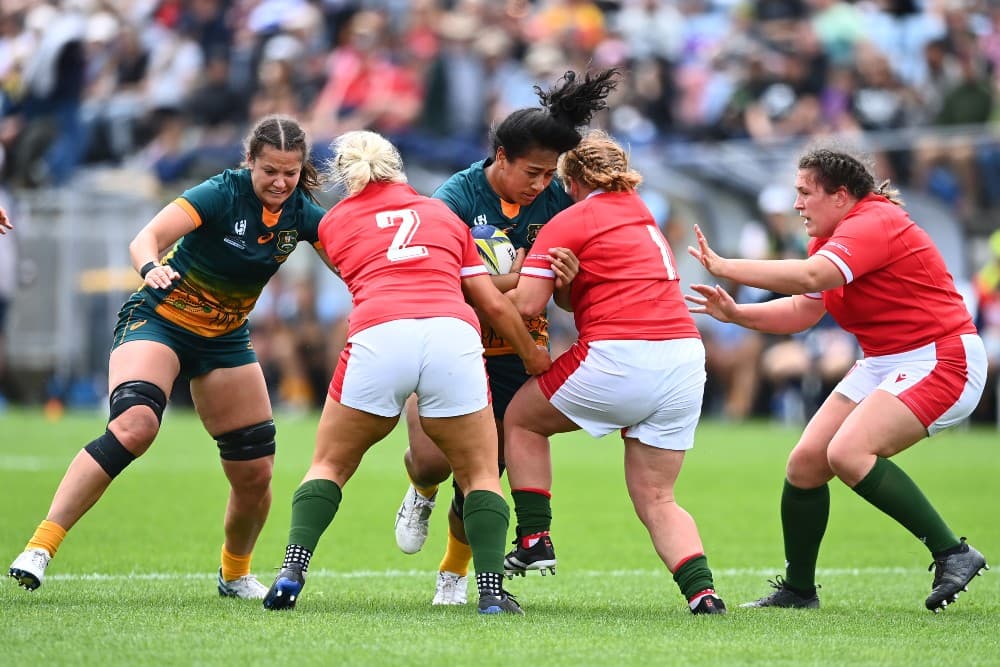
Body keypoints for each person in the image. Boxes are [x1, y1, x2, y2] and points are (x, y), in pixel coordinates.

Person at [8, 115, 330, 599]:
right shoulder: (220, 193)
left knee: (255, 470)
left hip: (224, 339)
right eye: (269, 171)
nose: (280, 182)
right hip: (160, 319)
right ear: (250, 163)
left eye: (290, 172)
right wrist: (150, 267)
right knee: (135, 425)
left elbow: (352, 263)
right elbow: (145, 238)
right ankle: (40, 546)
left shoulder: (302, 213)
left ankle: (235, 573)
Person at [685, 146, 990, 612]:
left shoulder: (874, 222)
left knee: (847, 453)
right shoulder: (834, 236)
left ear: (841, 195)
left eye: (805, 193)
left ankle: (954, 552)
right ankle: (799, 591)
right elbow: (805, 309)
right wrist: (736, 312)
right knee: (806, 465)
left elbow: (811, 276)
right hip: (887, 360)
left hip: (942, 358)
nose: (797, 204)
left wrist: (727, 266)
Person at [261, 130, 551, 615]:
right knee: (480, 471)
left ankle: (292, 569)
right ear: (398, 169)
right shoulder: (443, 215)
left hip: (380, 333)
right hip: (451, 334)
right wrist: (530, 354)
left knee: (330, 464)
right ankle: (491, 593)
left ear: (345, 177)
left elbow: (357, 272)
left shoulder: (334, 222)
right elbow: (493, 306)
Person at [391, 68, 619, 606]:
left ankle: (452, 576)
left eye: (549, 175)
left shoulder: (559, 205)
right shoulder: (454, 199)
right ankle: (420, 492)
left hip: (518, 352)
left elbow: (563, 298)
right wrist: (519, 278)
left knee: (483, 472)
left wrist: (563, 281)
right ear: (499, 156)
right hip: (456, 343)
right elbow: (443, 281)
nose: (540, 185)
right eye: (531, 173)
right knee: (430, 461)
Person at [496, 130, 726, 615]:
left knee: (521, 419)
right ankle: (703, 594)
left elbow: (527, 304)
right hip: (684, 357)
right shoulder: (645, 214)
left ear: (573, 179)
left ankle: (535, 536)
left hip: (621, 354)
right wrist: (571, 285)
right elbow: (589, 291)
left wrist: (474, 284)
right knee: (659, 497)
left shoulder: (571, 219)